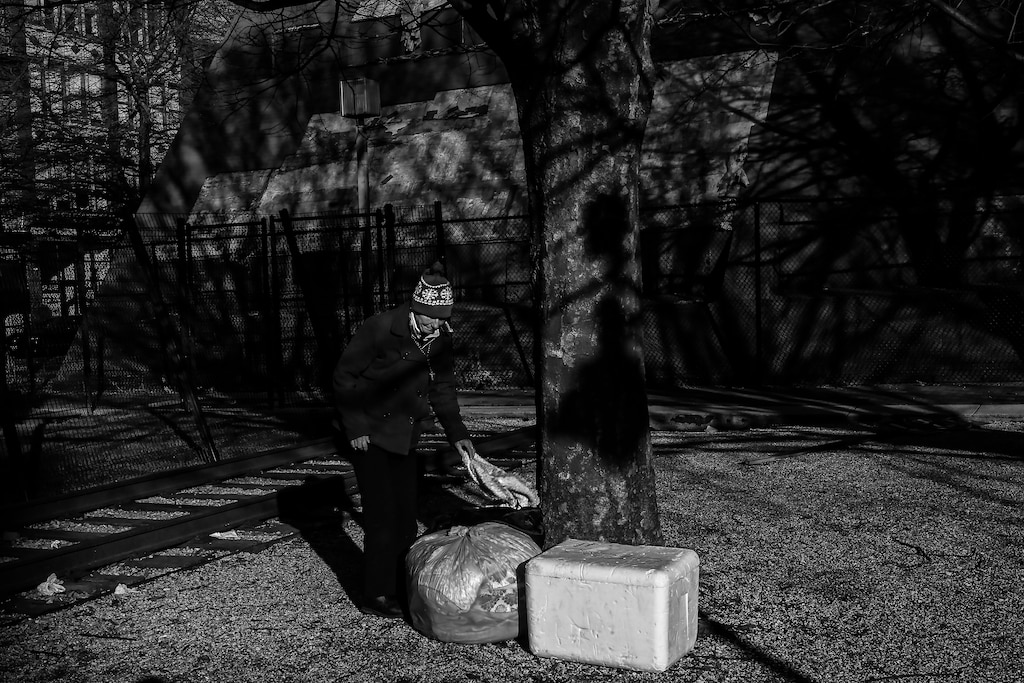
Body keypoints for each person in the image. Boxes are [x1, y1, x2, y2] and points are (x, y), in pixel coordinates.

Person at [333, 262, 478, 619]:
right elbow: (344, 377)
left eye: (440, 319)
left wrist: (457, 434)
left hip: (406, 437)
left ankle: (400, 584)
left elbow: (442, 389)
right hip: (371, 434)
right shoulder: (380, 329)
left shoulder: (440, 339)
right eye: (429, 318)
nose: (434, 325)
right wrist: (356, 429)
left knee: (404, 517)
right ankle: (376, 594)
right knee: (382, 518)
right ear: (415, 309)